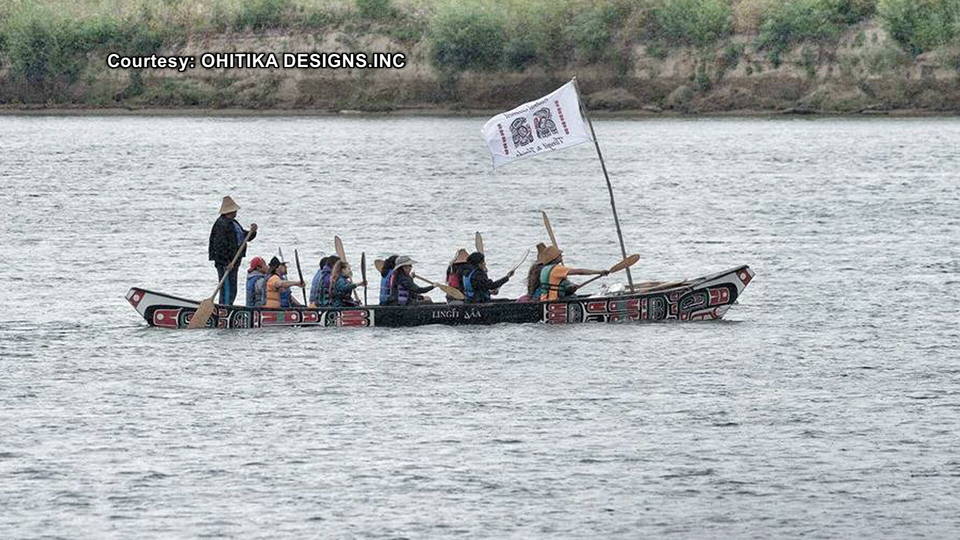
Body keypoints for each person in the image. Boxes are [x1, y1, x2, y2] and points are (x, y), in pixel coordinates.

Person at [208, 196, 258, 305]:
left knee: (233, 289)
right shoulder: (221, 224)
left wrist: (253, 232)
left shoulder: (233, 223)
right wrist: (226, 262)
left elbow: (244, 237)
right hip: (225, 263)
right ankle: (224, 307)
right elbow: (219, 246)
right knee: (227, 289)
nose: (236, 212)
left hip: (234, 261)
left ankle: (228, 306)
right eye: (234, 210)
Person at [532, 246, 609, 301]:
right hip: (554, 300)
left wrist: (570, 287)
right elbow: (580, 271)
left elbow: (556, 284)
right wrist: (599, 272)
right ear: (555, 257)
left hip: (544, 299)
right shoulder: (556, 268)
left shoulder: (544, 269)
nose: (561, 256)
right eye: (559, 255)